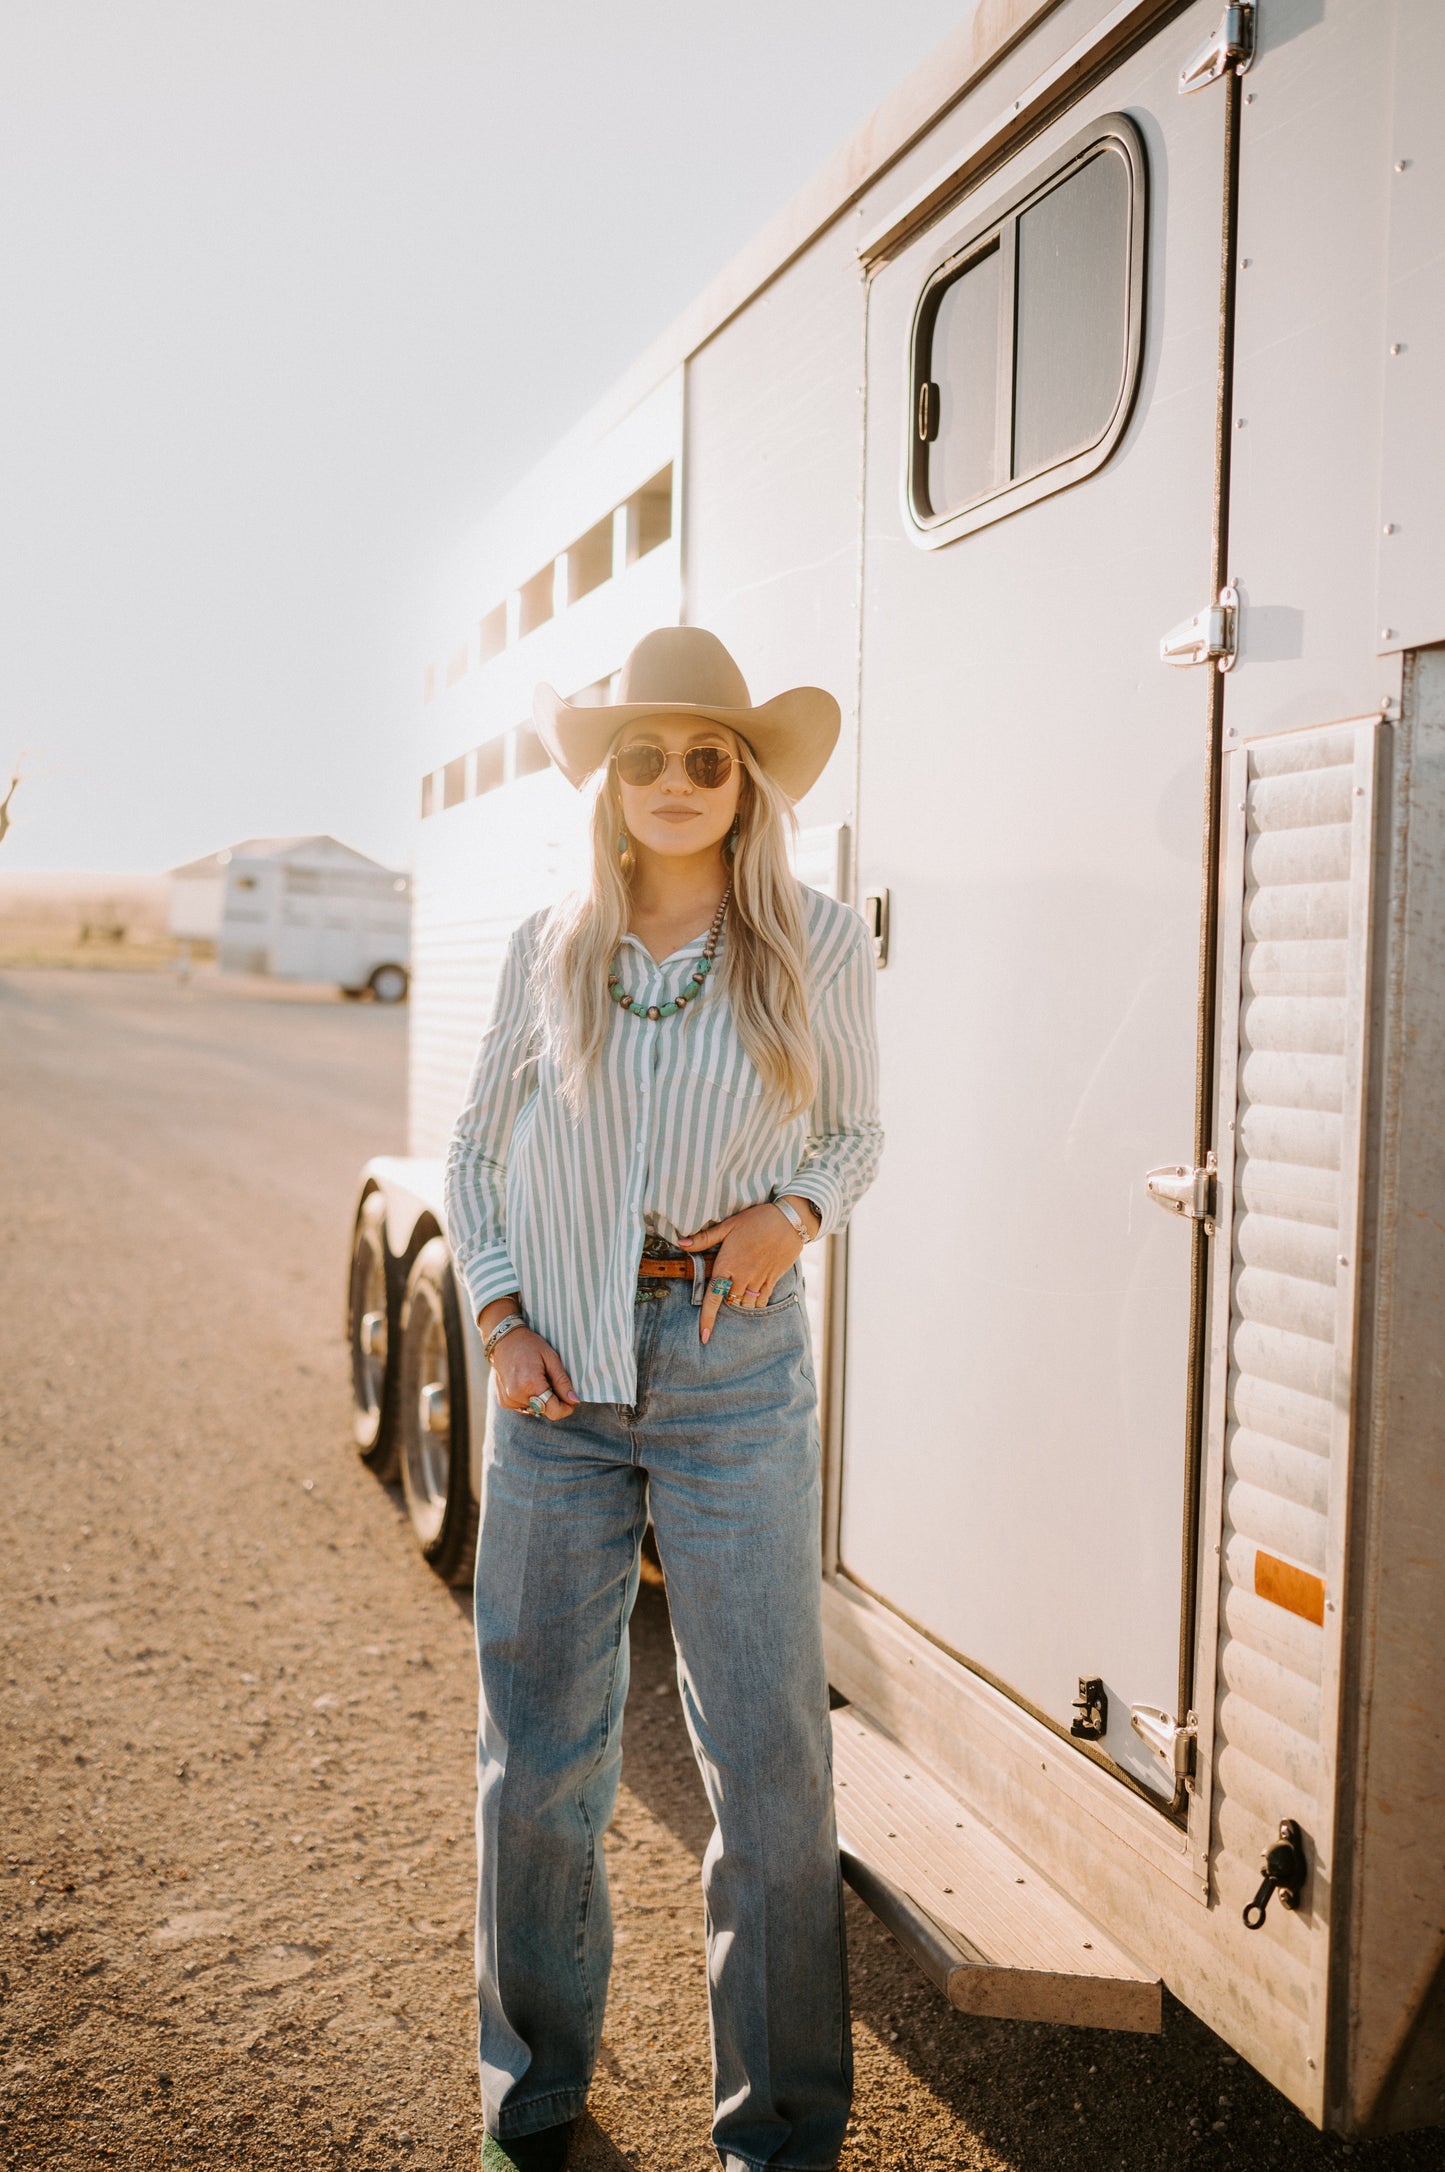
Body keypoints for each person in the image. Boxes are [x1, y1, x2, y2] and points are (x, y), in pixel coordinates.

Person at [444, 626, 883, 2172]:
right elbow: (474, 1153)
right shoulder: (544, 946)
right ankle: (532, 2101)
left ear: (746, 779)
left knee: (766, 1765)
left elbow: (852, 1136)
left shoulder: (812, 942)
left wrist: (795, 1216)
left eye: (710, 755)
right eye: (647, 754)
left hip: (728, 1366)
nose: (678, 779)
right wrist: (498, 1318)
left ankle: (781, 2138)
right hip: (555, 1378)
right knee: (538, 1757)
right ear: (610, 783)